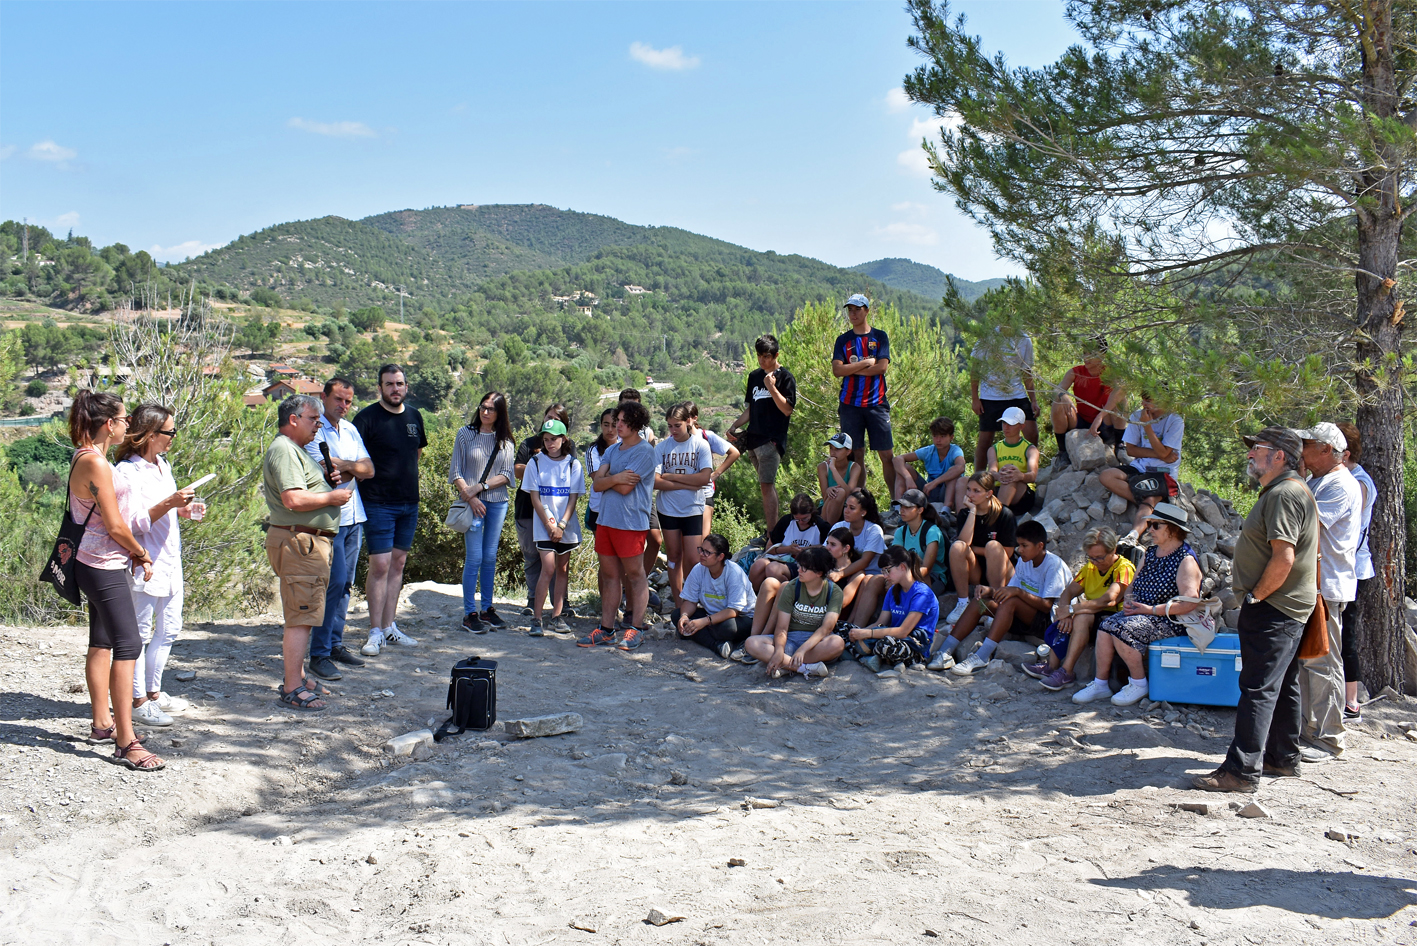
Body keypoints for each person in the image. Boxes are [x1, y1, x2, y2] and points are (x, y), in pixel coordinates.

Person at [1194, 427, 1318, 793]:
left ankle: (1241, 772)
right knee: (1283, 684)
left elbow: (1284, 557)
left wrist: (1256, 598)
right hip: (1286, 605)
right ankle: (1281, 758)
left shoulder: (1284, 494)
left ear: (1279, 455)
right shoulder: (1288, 491)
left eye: (1257, 449)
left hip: (1275, 606)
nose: (1250, 455)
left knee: (1257, 687)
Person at [67, 391, 162, 770]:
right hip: (102, 564)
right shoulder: (98, 463)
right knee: (129, 644)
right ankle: (126, 741)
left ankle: (102, 723)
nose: (127, 425)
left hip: (92, 560)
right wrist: (141, 553)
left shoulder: (88, 456)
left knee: (102, 640)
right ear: (109, 424)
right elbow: (115, 525)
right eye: (123, 420)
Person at [262, 395, 355, 712]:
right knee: (301, 617)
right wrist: (334, 497)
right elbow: (292, 499)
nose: (318, 425)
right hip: (301, 542)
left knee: (304, 613)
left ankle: (298, 675)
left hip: (306, 542)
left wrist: (325, 488)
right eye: (313, 419)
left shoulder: (294, 451)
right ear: (293, 419)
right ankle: (292, 687)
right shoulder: (285, 451)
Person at [115, 404, 198, 727]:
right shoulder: (127, 472)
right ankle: (136, 701)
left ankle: (153, 692)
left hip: (170, 560)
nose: (173, 438)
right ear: (150, 435)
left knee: (169, 628)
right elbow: (131, 522)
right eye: (169, 432)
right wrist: (170, 503)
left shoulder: (162, 465)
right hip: (144, 561)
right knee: (139, 633)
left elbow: (162, 511)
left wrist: (183, 511)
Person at [1072, 503, 1203, 705]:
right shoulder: (1150, 553)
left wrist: (1150, 610)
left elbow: (1190, 601)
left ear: (1172, 529)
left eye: (1155, 525)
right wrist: (1130, 602)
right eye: (1149, 524)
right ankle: (1100, 684)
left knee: (1122, 629)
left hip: (1169, 619)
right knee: (1106, 625)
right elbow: (1133, 585)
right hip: (1143, 613)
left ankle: (1139, 683)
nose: (1150, 529)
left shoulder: (1185, 560)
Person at [1295, 422, 1361, 763]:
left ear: (1325, 450)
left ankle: (1330, 737)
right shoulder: (1319, 482)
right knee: (1311, 661)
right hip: (1315, 585)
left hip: (1327, 586)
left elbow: (1307, 528)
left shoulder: (1339, 485)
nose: (1301, 449)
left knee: (1324, 662)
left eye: (1307, 444)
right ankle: (1311, 731)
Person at [304, 377, 374, 679]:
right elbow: (324, 472)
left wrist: (343, 463)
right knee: (333, 584)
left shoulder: (350, 430)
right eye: (338, 400)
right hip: (331, 521)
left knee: (346, 585)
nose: (343, 406)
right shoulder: (312, 431)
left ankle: (335, 643)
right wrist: (349, 466)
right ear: (324, 397)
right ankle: (318, 653)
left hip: (355, 517)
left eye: (348, 401)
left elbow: (368, 470)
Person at [936, 519, 1072, 674]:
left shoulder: (1054, 566)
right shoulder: (1024, 561)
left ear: (1040, 546)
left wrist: (1018, 592)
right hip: (1019, 614)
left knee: (1011, 601)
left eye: (1024, 546)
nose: (1019, 550)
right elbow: (1009, 590)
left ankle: (982, 656)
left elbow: (1047, 606)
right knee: (980, 602)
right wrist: (991, 592)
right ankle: (945, 651)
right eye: (1019, 545)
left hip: (1046, 622)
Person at [353, 364, 425, 656]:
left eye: (400, 383)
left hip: (409, 502)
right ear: (380, 387)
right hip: (377, 502)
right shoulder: (366, 419)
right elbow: (355, 459)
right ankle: (373, 632)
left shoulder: (414, 416)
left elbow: (417, 452)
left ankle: (389, 627)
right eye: (389, 384)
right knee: (380, 566)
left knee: (397, 565)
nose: (395, 389)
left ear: (406, 387)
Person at [581, 400, 658, 651]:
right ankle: (606, 630)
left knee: (636, 576)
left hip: (631, 524)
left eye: (623, 421)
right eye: (616, 421)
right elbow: (596, 484)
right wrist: (615, 477)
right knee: (611, 576)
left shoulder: (645, 452)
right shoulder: (613, 451)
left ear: (636, 424)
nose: (617, 425)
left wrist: (609, 480)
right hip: (606, 521)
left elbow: (625, 489)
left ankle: (635, 629)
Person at [1023, 527, 1135, 691]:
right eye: (1092, 558)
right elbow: (1068, 591)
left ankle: (1066, 671)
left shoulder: (1123, 568)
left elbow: (1109, 599)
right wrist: (1065, 612)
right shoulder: (1090, 567)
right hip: (1093, 612)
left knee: (1081, 615)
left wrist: (1072, 610)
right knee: (1068, 617)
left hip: (1115, 617)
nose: (1095, 562)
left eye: (1100, 558)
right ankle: (1051, 666)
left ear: (1113, 551)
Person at [450, 391, 517, 633]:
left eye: (491, 408)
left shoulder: (506, 441)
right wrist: (471, 496)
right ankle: (469, 613)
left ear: (500, 413)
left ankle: (487, 609)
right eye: (483, 407)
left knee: (489, 558)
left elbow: (507, 475)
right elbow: (456, 471)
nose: (485, 412)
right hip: (472, 505)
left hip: (497, 503)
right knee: (475, 558)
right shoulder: (465, 434)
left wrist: (481, 487)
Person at [832, 294, 897, 520]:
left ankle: (895, 501)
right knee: (855, 454)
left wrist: (852, 367)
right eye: (850, 310)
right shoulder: (843, 340)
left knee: (886, 455)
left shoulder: (880, 337)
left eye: (857, 309)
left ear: (867, 310)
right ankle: (857, 503)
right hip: (850, 405)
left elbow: (881, 368)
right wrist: (863, 364)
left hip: (877, 404)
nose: (853, 314)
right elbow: (837, 370)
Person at [521, 417, 585, 636]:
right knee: (547, 569)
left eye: (554, 439)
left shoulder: (573, 464)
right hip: (543, 527)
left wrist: (562, 525)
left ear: (563, 439)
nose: (550, 443)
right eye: (546, 439)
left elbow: (573, 498)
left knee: (562, 570)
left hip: (566, 526)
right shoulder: (535, 462)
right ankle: (537, 619)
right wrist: (550, 526)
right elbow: (535, 498)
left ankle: (557, 616)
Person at [729, 334, 796, 537]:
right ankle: (772, 531)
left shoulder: (786, 377)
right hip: (753, 440)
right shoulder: (754, 376)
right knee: (765, 487)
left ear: (776, 355)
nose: (762, 360)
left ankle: (772, 533)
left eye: (766, 356)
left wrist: (772, 388)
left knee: (767, 485)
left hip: (771, 440)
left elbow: (787, 410)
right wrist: (734, 425)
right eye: (759, 355)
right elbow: (751, 409)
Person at [744, 545, 846, 678]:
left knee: (837, 643)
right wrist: (779, 650)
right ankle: (804, 668)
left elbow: (826, 628)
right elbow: (782, 628)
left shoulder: (834, 592)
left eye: (804, 568)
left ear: (819, 573)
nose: (799, 570)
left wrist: (802, 650)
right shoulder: (792, 587)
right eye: (799, 566)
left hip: (816, 642)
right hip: (790, 640)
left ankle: (784, 664)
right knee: (751, 643)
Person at [1098, 392, 1184, 541]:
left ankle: (1133, 535)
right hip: (1140, 466)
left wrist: (1148, 426)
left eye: (1149, 400)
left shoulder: (1175, 421)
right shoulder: (1137, 416)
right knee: (1106, 476)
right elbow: (1131, 450)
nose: (1144, 404)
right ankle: (1149, 501)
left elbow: (1165, 452)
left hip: (1163, 472)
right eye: (1143, 400)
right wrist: (1161, 454)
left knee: (1149, 501)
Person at [514, 404, 571, 619]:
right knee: (532, 557)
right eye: (549, 417)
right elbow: (517, 469)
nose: (551, 422)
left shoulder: (568, 448)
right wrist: (540, 464)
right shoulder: (529, 444)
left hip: (557, 513)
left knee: (559, 560)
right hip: (527, 510)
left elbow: (569, 472)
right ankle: (532, 600)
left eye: (557, 419)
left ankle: (561, 603)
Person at [655, 403, 714, 604]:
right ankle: (679, 604)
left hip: (692, 509)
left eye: (677, 426)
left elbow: (704, 479)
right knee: (673, 556)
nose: (673, 431)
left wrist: (671, 477)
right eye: (669, 426)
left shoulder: (700, 445)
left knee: (693, 558)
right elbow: (655, 481)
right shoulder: (661, 448)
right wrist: (689, 482)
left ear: (688, 422)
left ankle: (691, 600)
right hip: (668, 510)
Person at [1335, 421, 1375, 721]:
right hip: (1343, 566)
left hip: (1351, 569)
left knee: (1345, 635)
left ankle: (1351, 701)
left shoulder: (1358, 483)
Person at [848, 546, 940, 673]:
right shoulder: (893, 590)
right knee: (844, 630)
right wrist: (859, 633)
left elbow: (903, 632)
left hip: (913, 647)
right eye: (883, 572)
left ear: (902, 567)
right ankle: (869, 655)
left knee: (885, 644)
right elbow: (880, 623)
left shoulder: (922, 594)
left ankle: (865, 655)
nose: (885, 576)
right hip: (890, 636)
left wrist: (867, 634)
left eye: (887, 571)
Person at [943, 471, 1018, 625]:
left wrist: (976, 549)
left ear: (988, 493)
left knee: (993, 546)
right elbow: (963, 543)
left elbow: (1008, 552)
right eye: (969, 489)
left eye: (976, 491)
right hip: (976, 570)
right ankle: (963, 602)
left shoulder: (1004, 514)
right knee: (957, 547)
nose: (970, 494)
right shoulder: (965, 513)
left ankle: (995, 603)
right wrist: (972, 511)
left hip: (1003, 571)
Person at [970, 325, 1038, 474]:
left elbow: (1026, 371)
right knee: (985, 439)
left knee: (1031, 432)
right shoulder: (986, 337)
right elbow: (975, 369)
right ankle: (979, 478)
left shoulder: (1024, 339)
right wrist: (975, 398)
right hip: (990, 395)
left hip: (1016, 392)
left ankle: (1029, 474)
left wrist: (1033, 399)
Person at [675, 533, 755, 658]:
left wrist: (704, 622)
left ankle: (701, 636)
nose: (701, 554)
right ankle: (718, 645)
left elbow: (733, 611)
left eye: (707, 552)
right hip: (711, 616)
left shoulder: (733, 573)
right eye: (701, 550)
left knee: (727, 628)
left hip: (740, 618)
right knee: (677, 615)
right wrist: (684, 616)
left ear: (720, 556)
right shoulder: (698, 569)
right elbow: (690, 600)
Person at [1048, 343, 1127, 465]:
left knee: (1121, 401)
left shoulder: (1111, 373)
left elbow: (1121, 390)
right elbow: (1057, 389)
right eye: (1085, 353)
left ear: (1102, 356)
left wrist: (1100, 417)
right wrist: (1063, 396)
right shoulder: (1075, 372)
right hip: (1082, 423)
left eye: (1091, 354)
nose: (1086, 357)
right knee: (1057, 402)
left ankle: (1119, 445)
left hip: (1105, 424)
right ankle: (1062, 451)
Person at [685, 401, 741, 553]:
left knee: (703, 541)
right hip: (684, 495)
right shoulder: (676, 439)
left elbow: (734, 452)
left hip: (705, 493)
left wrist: (716, 474)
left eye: (686, 417)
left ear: (694, 418)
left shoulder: (706, 436)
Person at [830, 488, 890, 626]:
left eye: (852, 508)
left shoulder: (874, 530)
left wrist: (840, 574)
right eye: (846, 506)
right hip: (847, 571)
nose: (846, 510)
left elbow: (865, 562)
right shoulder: (839, 526)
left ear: (863, 512)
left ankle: (853, 626)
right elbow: (827, 550)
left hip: (871, 574)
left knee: (864, 578)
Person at [748, 493, 831, 590]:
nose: (800, 522)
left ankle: (790, 596)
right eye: (797, 519)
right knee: (758, 565)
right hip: (781, 557)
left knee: (772, 569)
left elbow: (827, 549)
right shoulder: (786, 521)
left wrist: (805, 550)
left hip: (804, 564)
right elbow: (769, 548)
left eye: (804, 519)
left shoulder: (821, 526)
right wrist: (788, 549)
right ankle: (755, 598)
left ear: (812, 513)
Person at [894, 416, 966, 510]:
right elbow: (897, 459)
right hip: (929, 492)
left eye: (943, 436)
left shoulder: (955, 451)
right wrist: (908, 478)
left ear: (951, 437)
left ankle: (946, 512)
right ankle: (897, 509)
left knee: (954, 472)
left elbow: (961, 467)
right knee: (904, 468)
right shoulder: (929, 451)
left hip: (947, 493)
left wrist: (935, 482)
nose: (938, 440)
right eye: (935, 436)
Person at [890, 488, 950, 593]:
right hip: (906, 574)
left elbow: (926, 568)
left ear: (920, 510)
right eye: (901, 506)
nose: (902, 510)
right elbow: (896, 560)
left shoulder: (932, 531)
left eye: (907, 507)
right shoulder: (901, 532)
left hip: (933, 577)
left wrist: (902, 579)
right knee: (874, 581)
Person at [988, 406, 1040, 516]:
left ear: (1022, 426)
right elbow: (991, 473)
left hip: (1022, 495)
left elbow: (1033, 476)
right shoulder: (994, 449)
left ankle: (997, 519)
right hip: (999, 488)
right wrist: (1000, 476)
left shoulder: (1030, 449)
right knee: (964, 481)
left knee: (1010, 474)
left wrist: (1019, 476)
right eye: (1004, 423)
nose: (1006, 427)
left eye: (1010, 424)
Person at [816, 432, 862, 525]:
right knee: (839, 493)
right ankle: (828, 531)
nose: (833, 452)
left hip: (847, 508)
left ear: (848, 451)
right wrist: (828, 490)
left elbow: (849, 493)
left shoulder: (854, 467)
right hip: (827, 509)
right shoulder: (823, 467)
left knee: (858, 491)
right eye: (831, 449)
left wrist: (833, 469)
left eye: (837, 449)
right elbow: (825, 498)